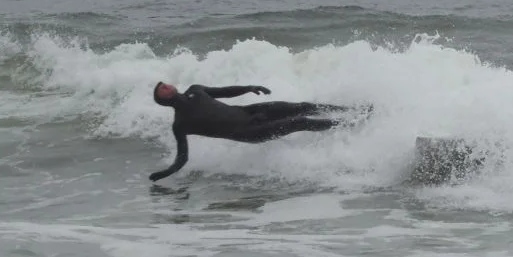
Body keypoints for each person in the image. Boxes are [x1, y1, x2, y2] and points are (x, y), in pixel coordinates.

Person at [149, 81, 361, 181]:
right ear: (164, 99)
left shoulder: (196, 90)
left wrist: (249, 88)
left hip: (251, 112)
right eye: (162, 88)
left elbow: (225, 91)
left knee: (302, 106)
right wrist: (166, 173)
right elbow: (182, 158)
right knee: (300, 121)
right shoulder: (181, 124)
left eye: (165, 84)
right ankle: (346, 125)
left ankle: (353, 112)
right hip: (250, 132)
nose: (167, 85)